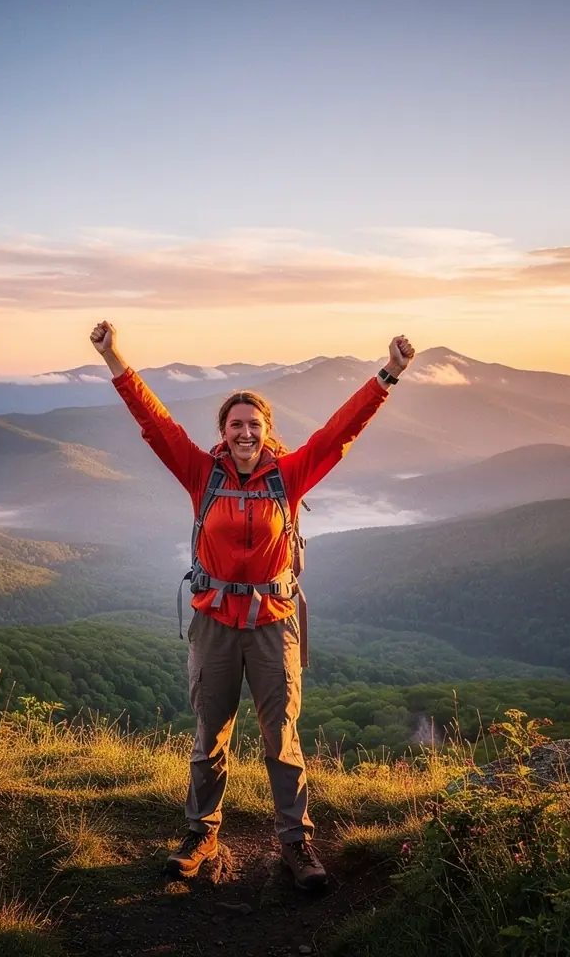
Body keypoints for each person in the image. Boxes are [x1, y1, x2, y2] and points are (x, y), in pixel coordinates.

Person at [89, 320, 415, 889]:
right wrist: (114, 357)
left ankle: (295, 843)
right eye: (236, 425)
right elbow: (155, 424)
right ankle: (201, 834)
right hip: (214, 622)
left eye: (254, 426)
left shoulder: (288, 477)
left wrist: (387, 375)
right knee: (209, 732)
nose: (245, 433)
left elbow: (338, 433)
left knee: (280, 736)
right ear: (223, 431)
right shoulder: (201, 474)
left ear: (267, 432)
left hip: (273, 624)